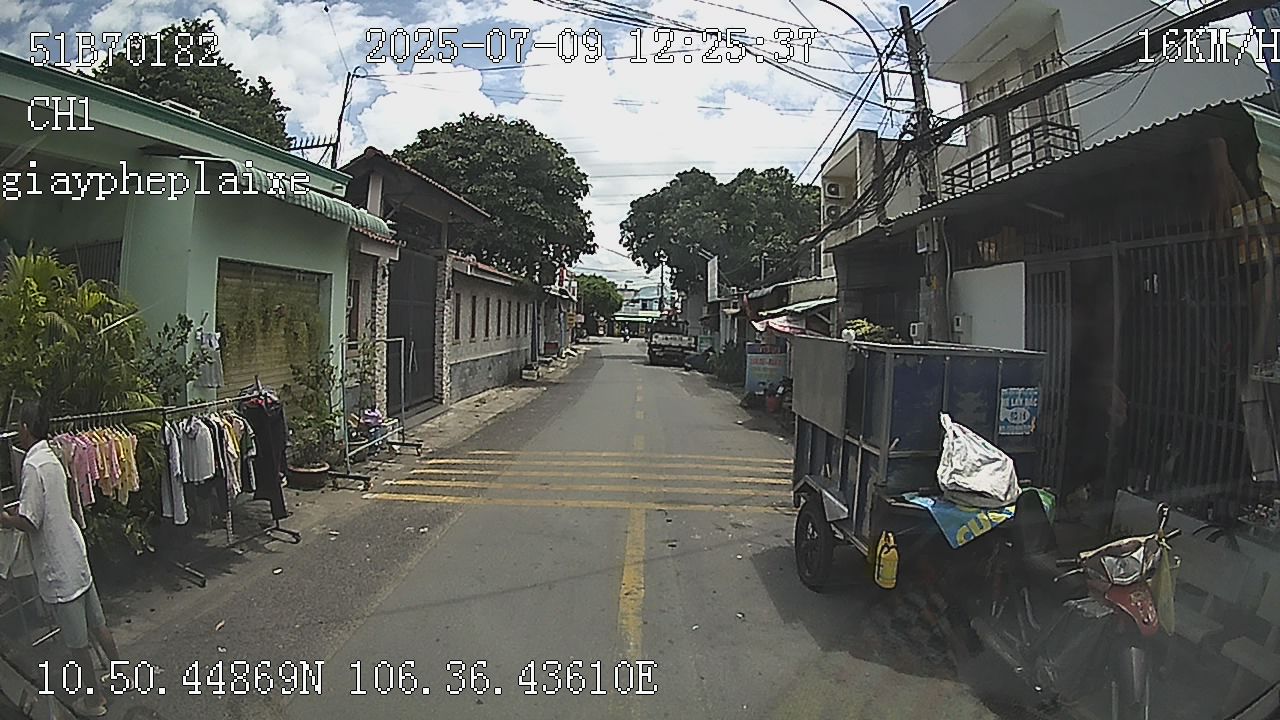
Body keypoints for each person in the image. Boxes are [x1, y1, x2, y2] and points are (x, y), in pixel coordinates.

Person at [1, 401, 121, 717]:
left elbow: (30, 520)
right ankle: (119, 674)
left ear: (25, 427)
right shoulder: (52, 456)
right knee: (97, 623)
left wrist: (6, 519)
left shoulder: (32, 465)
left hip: (59, 566)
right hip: (75, 555)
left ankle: (94, 701)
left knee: (76, 641)